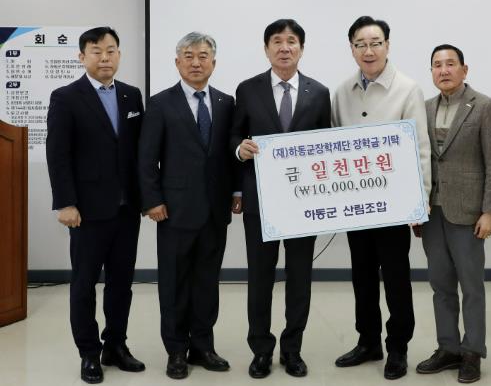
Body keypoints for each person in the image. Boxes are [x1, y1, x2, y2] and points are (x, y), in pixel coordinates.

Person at [332, 15, 431, 380]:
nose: (369, 50)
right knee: (361, 276)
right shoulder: (342, 92)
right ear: (352, 49)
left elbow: (421, 149)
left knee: (395, 277)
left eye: (375, 43)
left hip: (394, 204)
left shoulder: (408, 89)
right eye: (361, 44)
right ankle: (368, 341)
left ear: (388, 46)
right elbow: (333, 146)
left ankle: (398, 346)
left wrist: (420, 200)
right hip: (356, 205)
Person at [231, 19, 331, 379]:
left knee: (300, 277)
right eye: (277, 41)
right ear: (266, 49)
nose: (284, 47)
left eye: (291, 41)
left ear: (301, 48)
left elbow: (326, 146)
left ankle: (292, 349)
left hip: (303, 204)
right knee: (260, 278)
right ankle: (261, 349)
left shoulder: (319, 93)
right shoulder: (247, 89)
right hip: (261, 201)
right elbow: (234, 137)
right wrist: (240, 151)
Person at [46, 27, 145, 384]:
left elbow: (138, 152)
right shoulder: (66, 97)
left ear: (119, 55)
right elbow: (58, 154)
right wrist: (66, 203)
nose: (105, 57)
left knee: (122, 283)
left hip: (126, 210)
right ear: (82, 56)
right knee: (84, 284)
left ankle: (115, 345)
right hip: (86, 212)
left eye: (111, 50)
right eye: (96, 51)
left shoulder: (131, 95)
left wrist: (146, 197)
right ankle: (89, 353)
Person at [138, 32, 240, 380]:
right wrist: (152, 200)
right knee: (174, 284)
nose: (196, 62)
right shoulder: (160, 103)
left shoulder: (226, 102)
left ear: (214, 62)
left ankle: (203, 346)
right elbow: (146, 158)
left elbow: (228, 154)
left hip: (214, 211)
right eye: (189, 56)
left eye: (203, 56)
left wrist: (236, 192)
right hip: (174, 210)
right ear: (177, 61)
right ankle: (176, 351)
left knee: (207, 283)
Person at [416, 44, 491, 383]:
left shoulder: (484, 106)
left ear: (464, 70)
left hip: (468, 214)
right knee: (440, 285)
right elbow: (418, 160)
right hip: (432, 212)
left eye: (450, 63)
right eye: (437, 65)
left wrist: (490, 211)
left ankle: (472, 352)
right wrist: (414, 206)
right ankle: (448, 348)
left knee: (471, 287)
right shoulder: (423, 108)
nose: (444, 70)